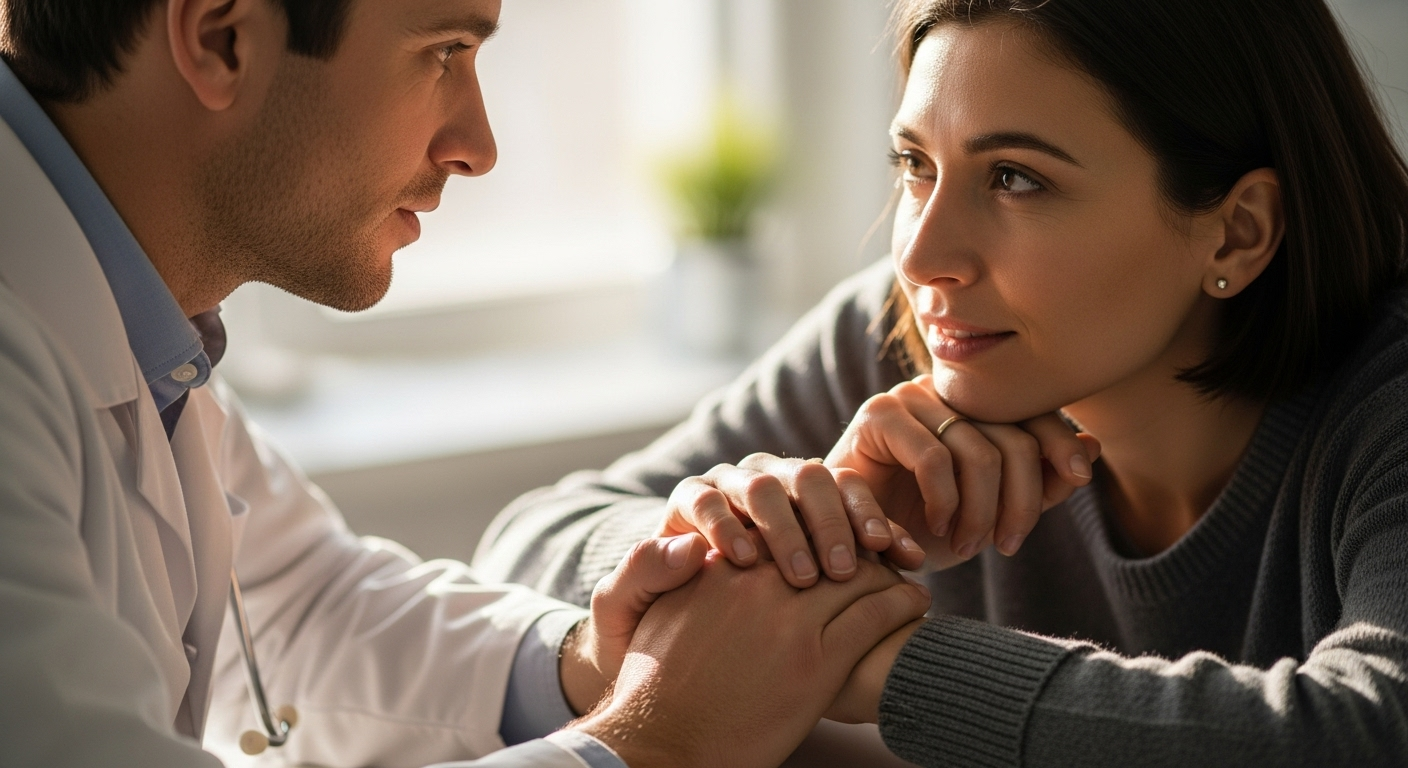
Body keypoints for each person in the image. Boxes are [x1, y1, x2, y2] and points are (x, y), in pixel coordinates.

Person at [0, 0, 933, 765]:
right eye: (443, 51)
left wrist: (596, 660)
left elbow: (300, 613)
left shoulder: (143, 326)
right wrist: (657, 740)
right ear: (221, 40)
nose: (477, 147)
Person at [475, 0, 1408, 764]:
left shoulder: (1384, 406)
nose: (922, 257)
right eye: (916, 165)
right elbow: (527, 539)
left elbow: (1370, 732)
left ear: (1239, 232)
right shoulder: (902, 334)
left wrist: (864, 647)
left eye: (1015, 179)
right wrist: (785, 540)